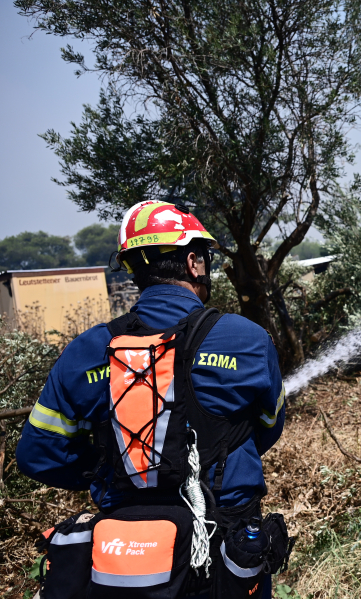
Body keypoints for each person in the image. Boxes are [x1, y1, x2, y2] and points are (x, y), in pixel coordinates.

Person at [17, 200, 286, 597]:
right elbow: (266, 428)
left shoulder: (87, 350)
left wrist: (111, 466)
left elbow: (37, 455)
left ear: (133, 269)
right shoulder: (246, 340)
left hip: (125, 552)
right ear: (193, 263)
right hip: (223, 549)